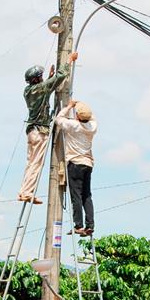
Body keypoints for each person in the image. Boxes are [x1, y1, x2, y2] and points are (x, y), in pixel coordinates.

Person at [18, 51, 78, 204]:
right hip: (40, 131)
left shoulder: (28, 91)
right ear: (37, 79)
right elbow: (59, 77)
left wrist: (49, 79)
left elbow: (46, 87)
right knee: (36, 163)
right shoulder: (41, 88)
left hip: (32, 131)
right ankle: (27, 192)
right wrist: (69, 61)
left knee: (30, 162)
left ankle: (23, 191)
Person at [55, 99, 98, 236]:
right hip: (88, 164)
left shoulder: (73, 125)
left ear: (78, 116)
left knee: (76, 196)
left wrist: (69, 106)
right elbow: (92, 118)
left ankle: (78, 225)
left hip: (75, 163)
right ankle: (90, 225)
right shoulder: (92, 126)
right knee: (87, 195)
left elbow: (58, 119)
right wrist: (82, 107)